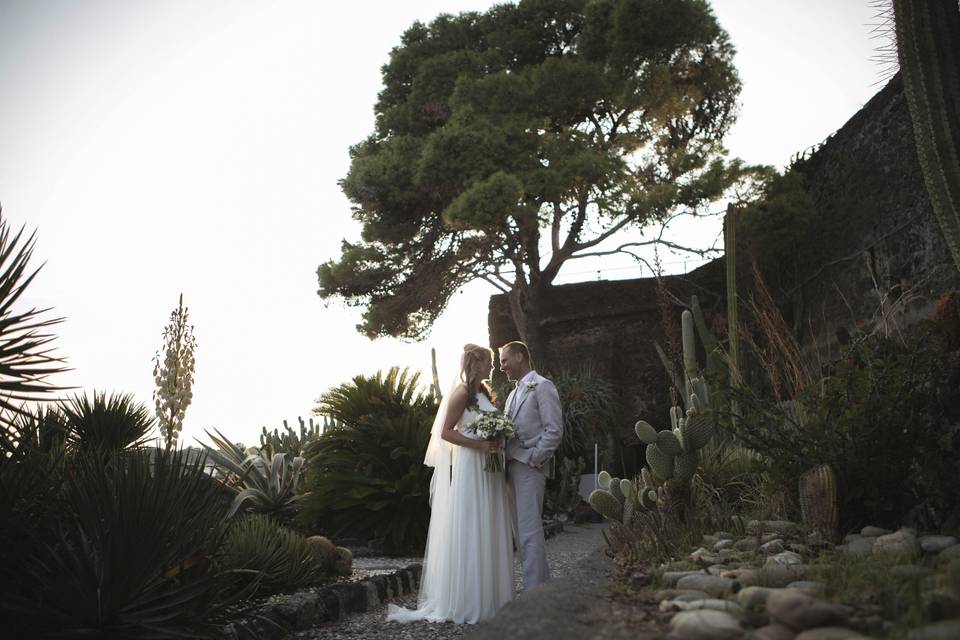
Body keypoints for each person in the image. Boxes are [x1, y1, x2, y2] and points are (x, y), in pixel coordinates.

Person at [386, 344, 515, 624]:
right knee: (472, 523)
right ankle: (470, 600)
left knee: (489, 523)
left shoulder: (483, 392)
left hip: (490, 468)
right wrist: (478, 445)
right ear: (476, 362)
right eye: (489, 361)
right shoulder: (461, 393)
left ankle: (493, 598)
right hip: (472, 465)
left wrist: (496, 441)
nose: (492, 366)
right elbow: (445, 432)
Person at [499, 341, 562, 591]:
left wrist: (533, 459)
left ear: (520, 357)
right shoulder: (512, 394)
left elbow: (554, 430)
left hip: (529, 468)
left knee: (529, 530)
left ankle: (533, 590)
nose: (502, 367)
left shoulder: (543, 386)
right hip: (510, 468)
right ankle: (543, 586)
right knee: (520, 530)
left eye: (505, 361)